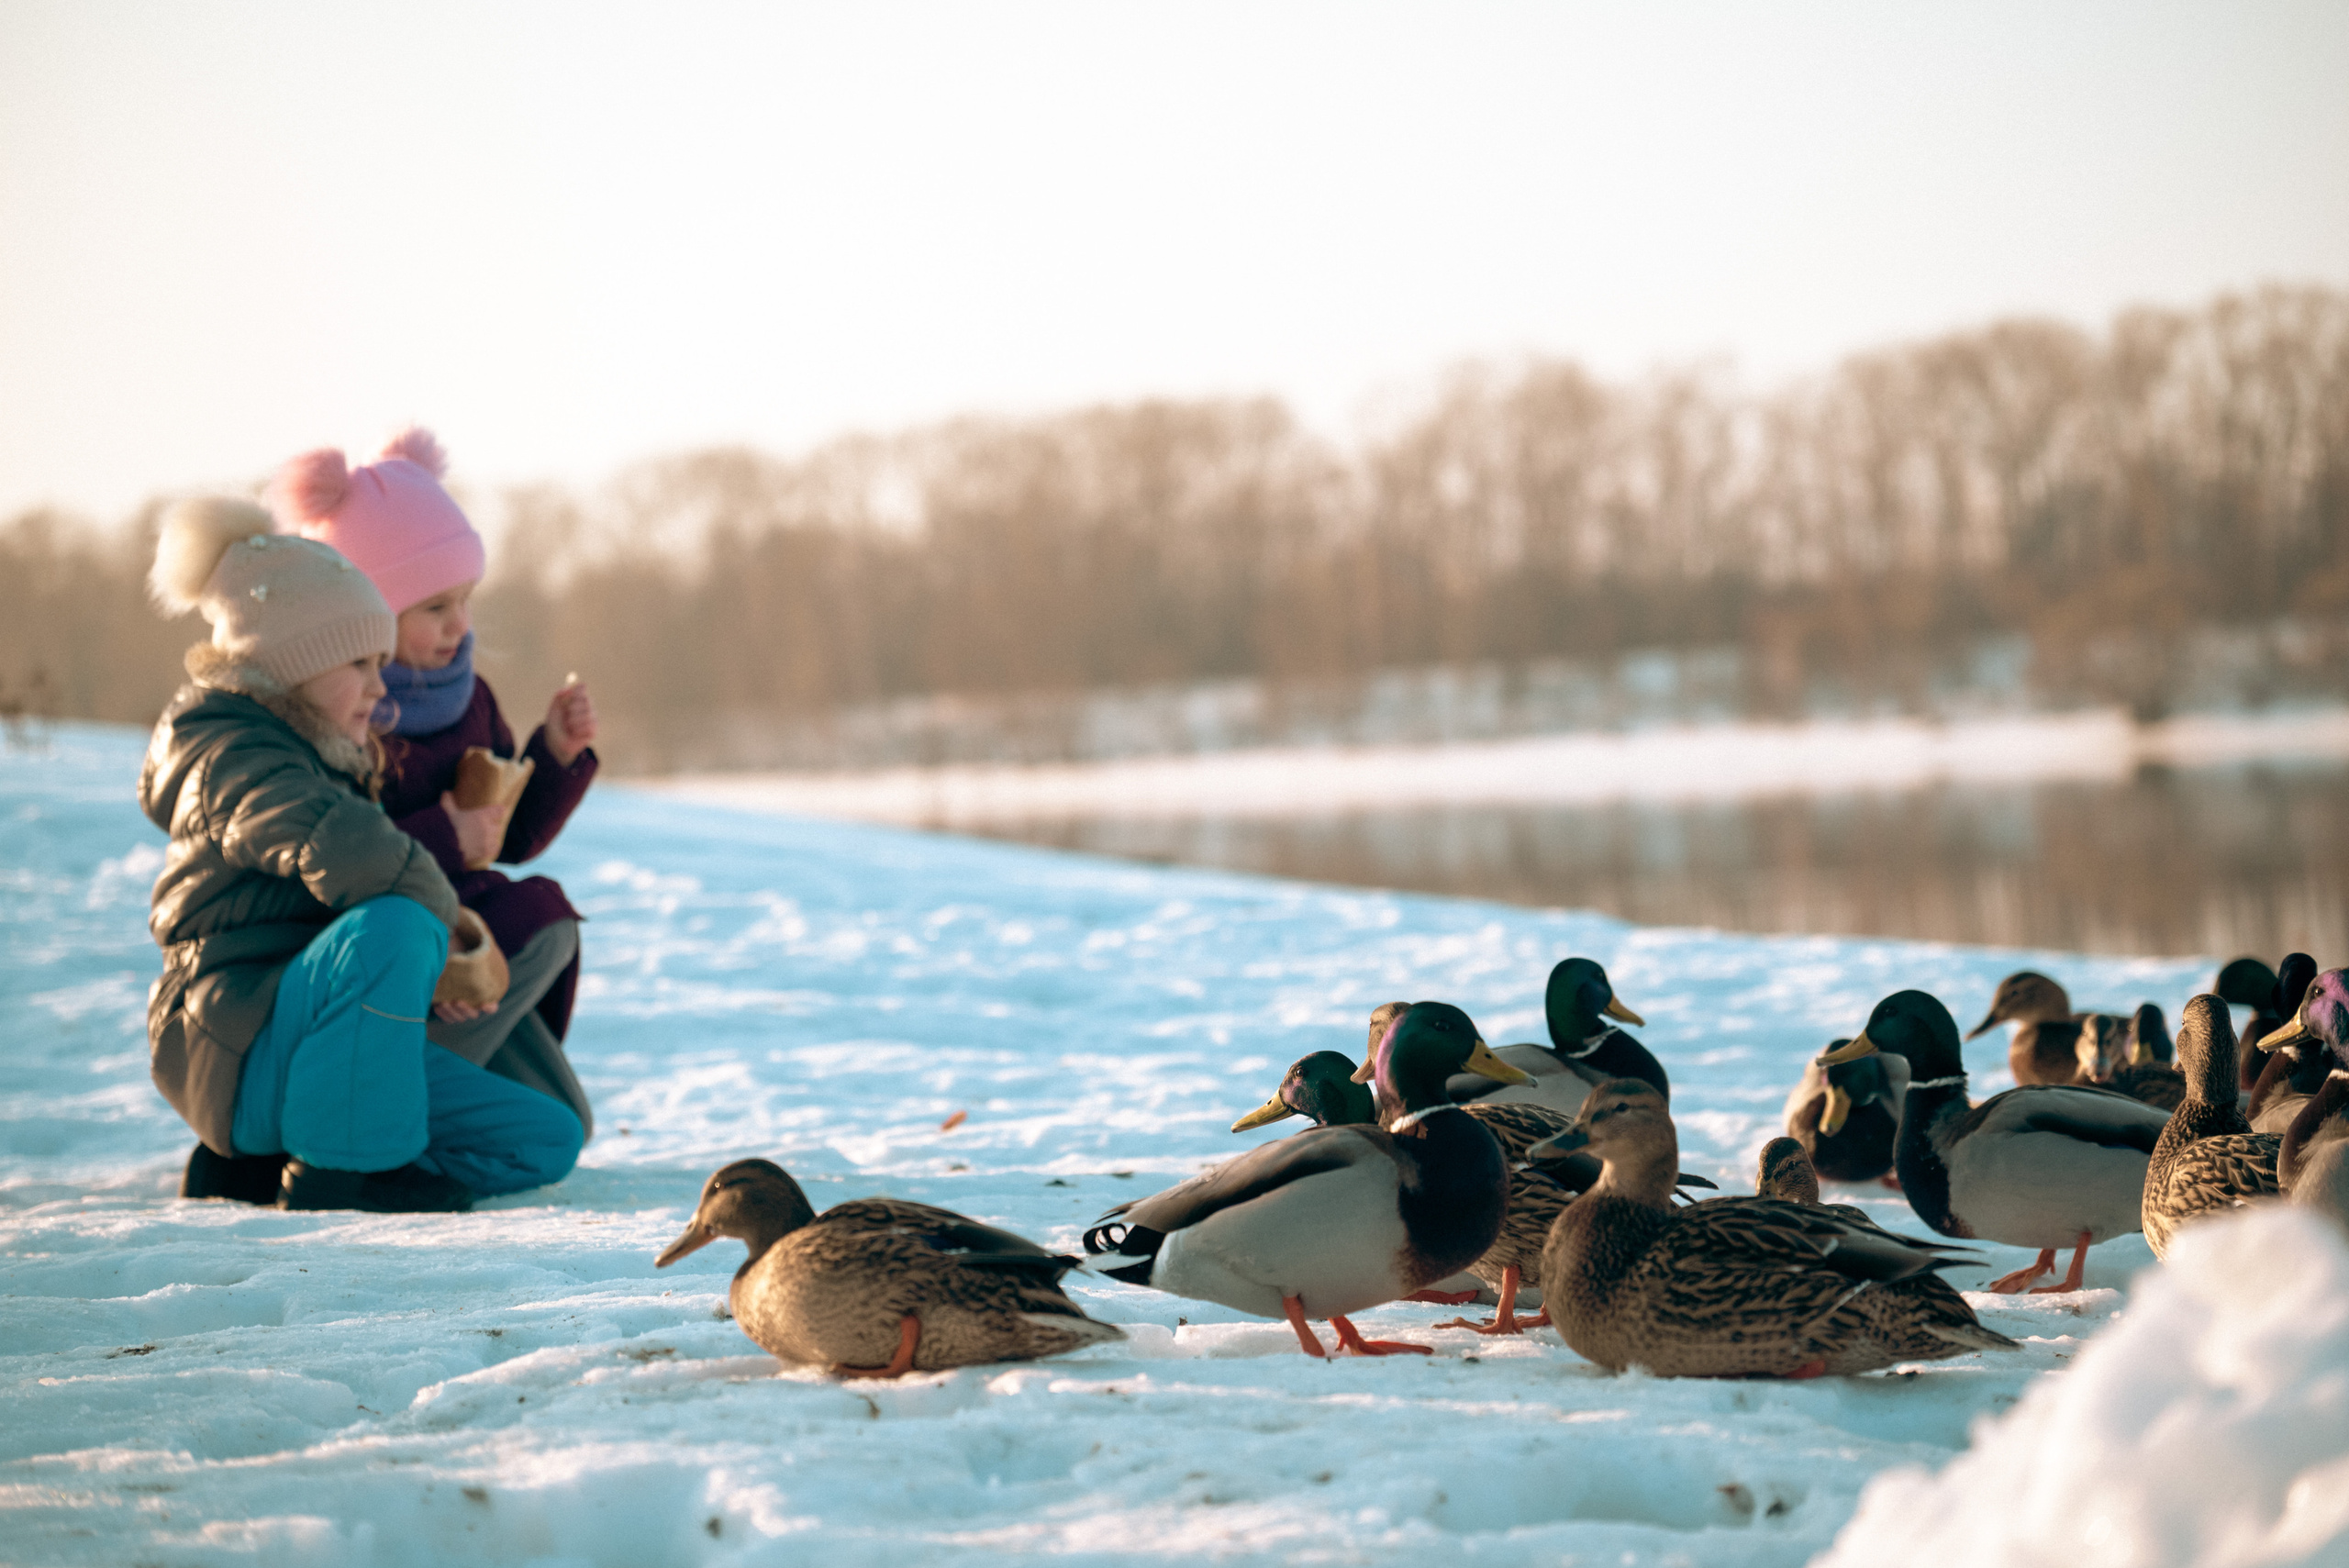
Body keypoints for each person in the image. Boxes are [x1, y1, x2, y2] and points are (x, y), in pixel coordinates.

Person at [143, 497, 584, 1210]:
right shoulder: (233, 753)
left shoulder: (325, 756)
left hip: (313, 1045)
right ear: (295, 664)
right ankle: (335, 1173)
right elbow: (344, 848)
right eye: (359, 661)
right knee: (399, 922)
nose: (382, 686)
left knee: (547, 1137)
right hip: (233, 1042)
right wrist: (448, 936)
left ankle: (275, 1168)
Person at [268, 428, 598, 1143]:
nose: (460, 624)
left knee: (548, 934)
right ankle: (373, 1096)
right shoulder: (341, 709)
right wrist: (446, 837)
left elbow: (508, 838)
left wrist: (556, 753)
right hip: (384, 940)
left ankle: (441, 1094)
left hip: (461, 910)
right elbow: (333, 858)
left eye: (465, 598)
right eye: (433, 608)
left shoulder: (466, 694)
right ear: (367, 610)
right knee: (531, 933)